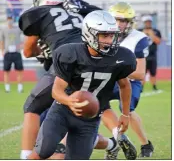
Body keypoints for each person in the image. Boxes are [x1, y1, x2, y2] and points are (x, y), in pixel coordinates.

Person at [27, 10, 137, 160]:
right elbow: (57, 90)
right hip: (62, 112)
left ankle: (111, 146)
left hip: (90, 119)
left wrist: (125, 114)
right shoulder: (71, 53)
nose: (109, 41)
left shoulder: (122, 57)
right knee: (43, 152)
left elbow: (125, 86)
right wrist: (69, 101)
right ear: (89, 34)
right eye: (104, 35)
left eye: (112, 35)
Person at [18, 0, 102, 159]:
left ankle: (26, 155)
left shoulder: (41, 13)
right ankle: (104, 141)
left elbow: (27, 51)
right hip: (94, 62)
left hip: (67, 59)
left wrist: (44, 50)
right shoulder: (79, 11)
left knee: (32, 106)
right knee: (75, 107)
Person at [96, 2, 154, 158]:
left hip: (131, 80)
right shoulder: (102, 34)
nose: (120, 24)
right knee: (97, 103)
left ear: (130, 22)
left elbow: (140, 73)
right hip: (110, 79)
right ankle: (118, 137)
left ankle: (145, 144)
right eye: (117, 19)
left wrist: (114, 70)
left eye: (124, 20)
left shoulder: (139, 38)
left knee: (127, 109)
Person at [0, 16, 24, 93]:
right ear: (6, 21)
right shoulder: (3, 30)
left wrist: (22, 45)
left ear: (13, 21)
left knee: (19, 71)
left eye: (11, 20)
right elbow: (2, 41)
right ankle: (7, 89)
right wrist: (2, 50)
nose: (10, 22)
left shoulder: (17, 29)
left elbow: (25, 35)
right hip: (7, 52)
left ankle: (20, 88)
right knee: (6, 71)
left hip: (17, 52)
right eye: (8, 21)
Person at [140, 15, 162, 91]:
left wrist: (151, 34)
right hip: (142, 55)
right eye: (146, 22)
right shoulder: (140, 31)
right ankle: (141, 87)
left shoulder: (156, 31)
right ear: (144, 23)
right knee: (142, 73)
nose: (148, 23)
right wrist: (144, 33)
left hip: (152, 55)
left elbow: (158, 41)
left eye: (149, 22)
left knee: (153, 72)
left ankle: (154, 87)